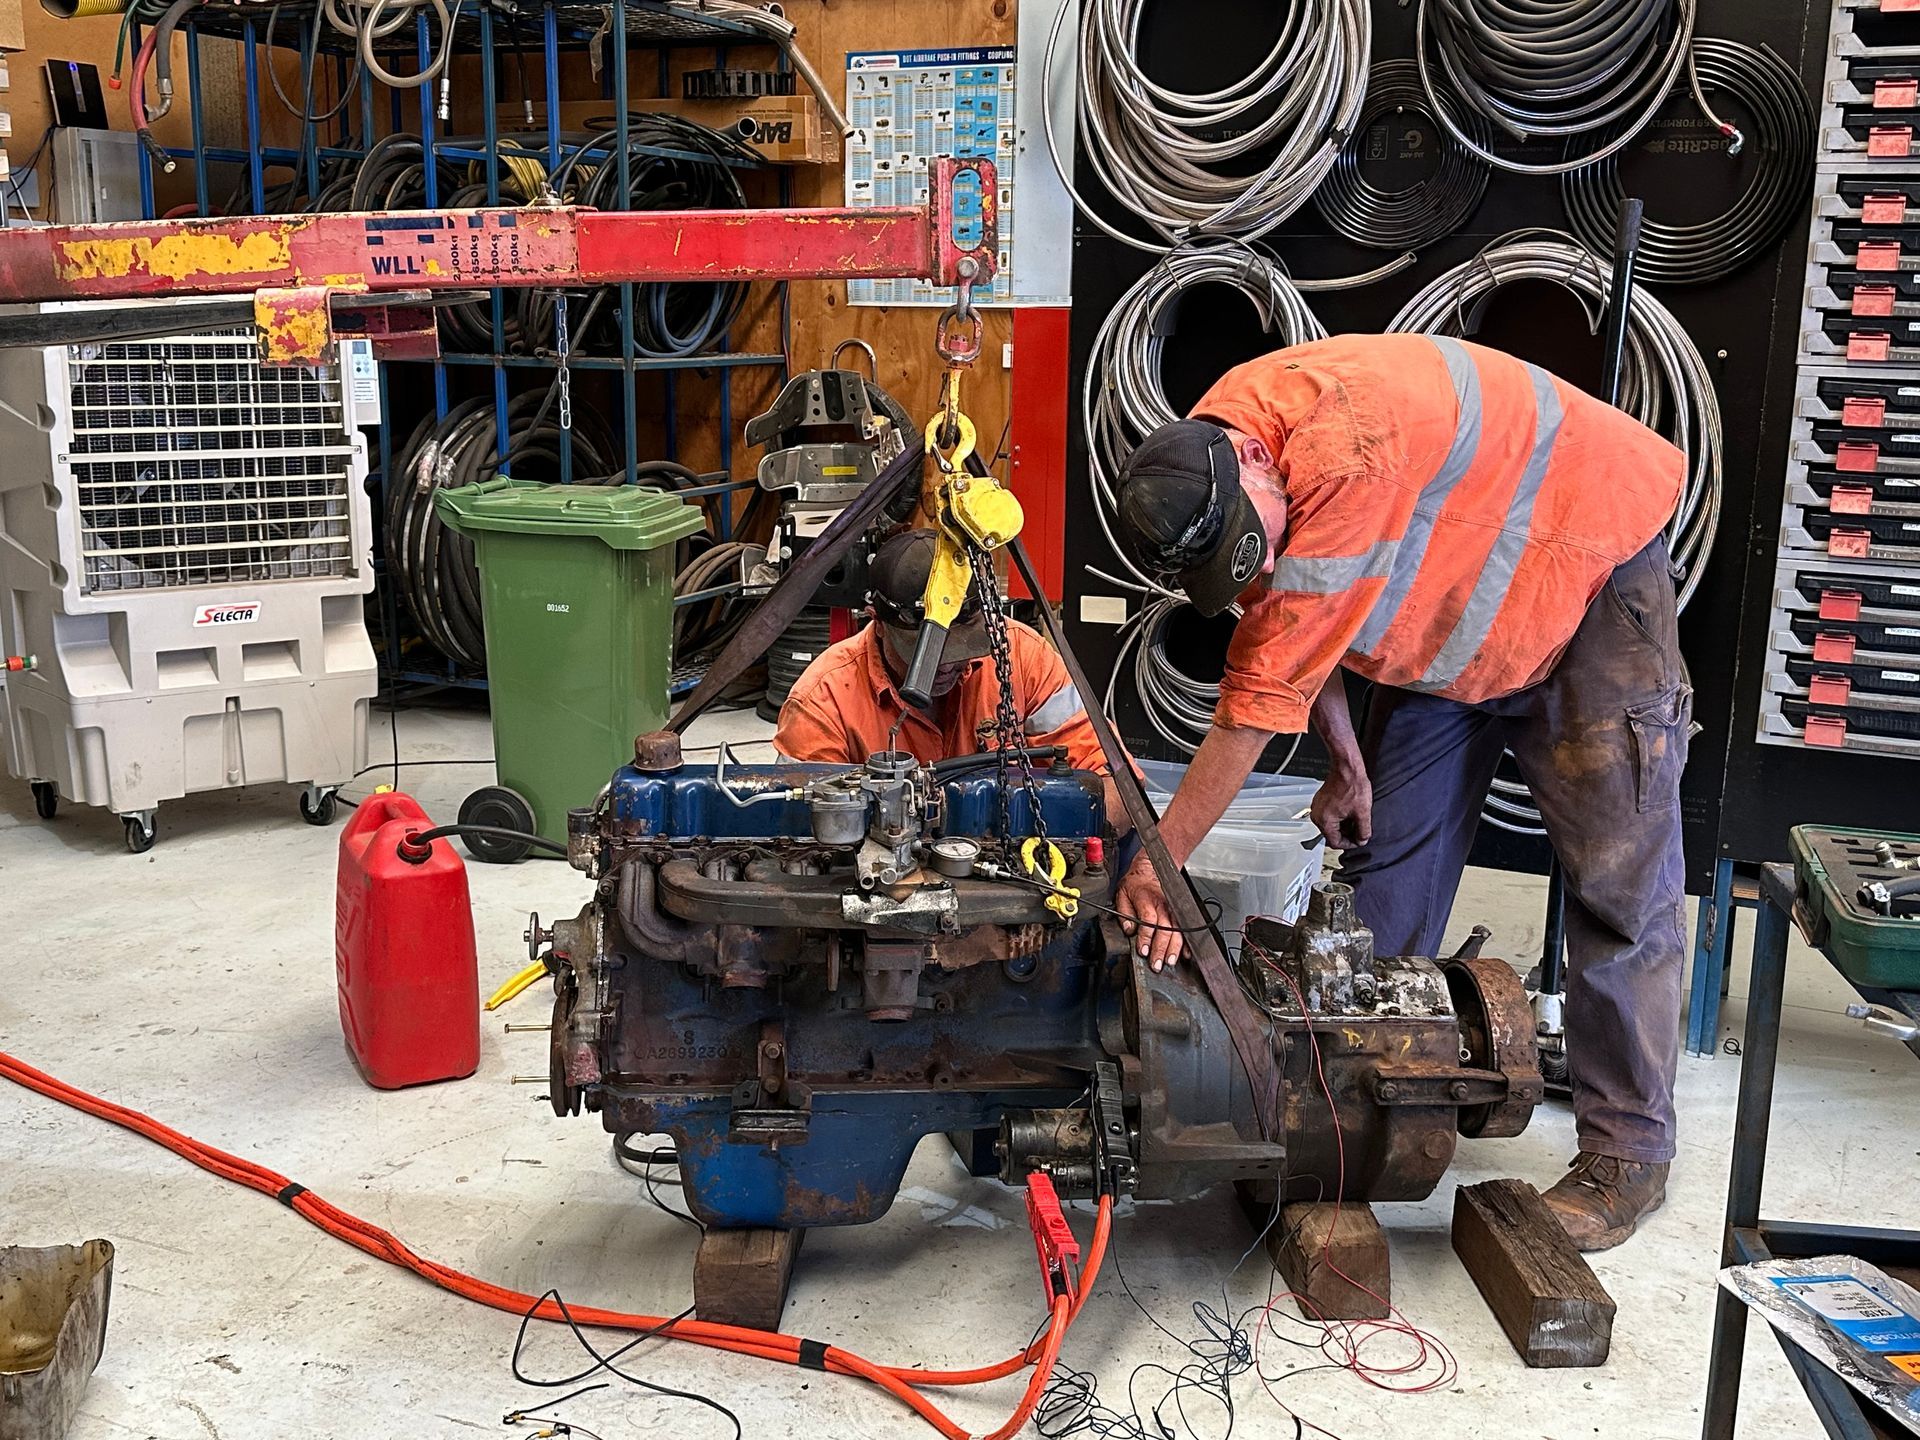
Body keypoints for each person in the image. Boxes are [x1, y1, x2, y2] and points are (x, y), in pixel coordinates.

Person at [1108, 332, 1691, 1252]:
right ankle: (1346, 1112)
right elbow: (1287, 600)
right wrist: (1345, 759)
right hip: (1458, 627)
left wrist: (1161, 864)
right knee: (1384, 874)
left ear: (1258, 461)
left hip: (1586, 582)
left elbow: (1261, 692)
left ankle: (1629, 1155)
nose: (1257, 572)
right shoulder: (1227, 440)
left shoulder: (1343, 444)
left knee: (1621, 895)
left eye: (1253, 550)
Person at [775, 528, 1133, 828]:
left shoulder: (1023, 656)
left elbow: (1117, 786)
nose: (946, 666)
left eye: (961, 647)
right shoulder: (822, 699)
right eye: (926, 653)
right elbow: (799, 832)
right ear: (877, 623)